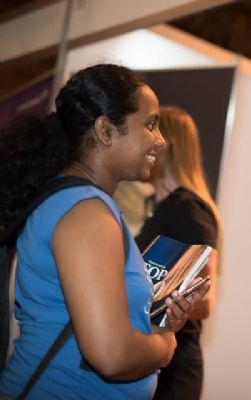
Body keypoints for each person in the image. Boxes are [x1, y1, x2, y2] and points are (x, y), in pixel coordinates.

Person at [0, 64, 210, 399]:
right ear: (105, 131)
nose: (160, 140)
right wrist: (165, 343)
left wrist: (161, 322)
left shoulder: (81, 203)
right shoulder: (86, 213)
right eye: (150, 125)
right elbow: (111, 356)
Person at [135, 107, 221, 400]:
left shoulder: (188, 209)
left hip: (174, 370)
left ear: (167, 144)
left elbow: (205, 301)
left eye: (150, 132)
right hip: (155, 360)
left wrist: (138, 305)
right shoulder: (163, 208)